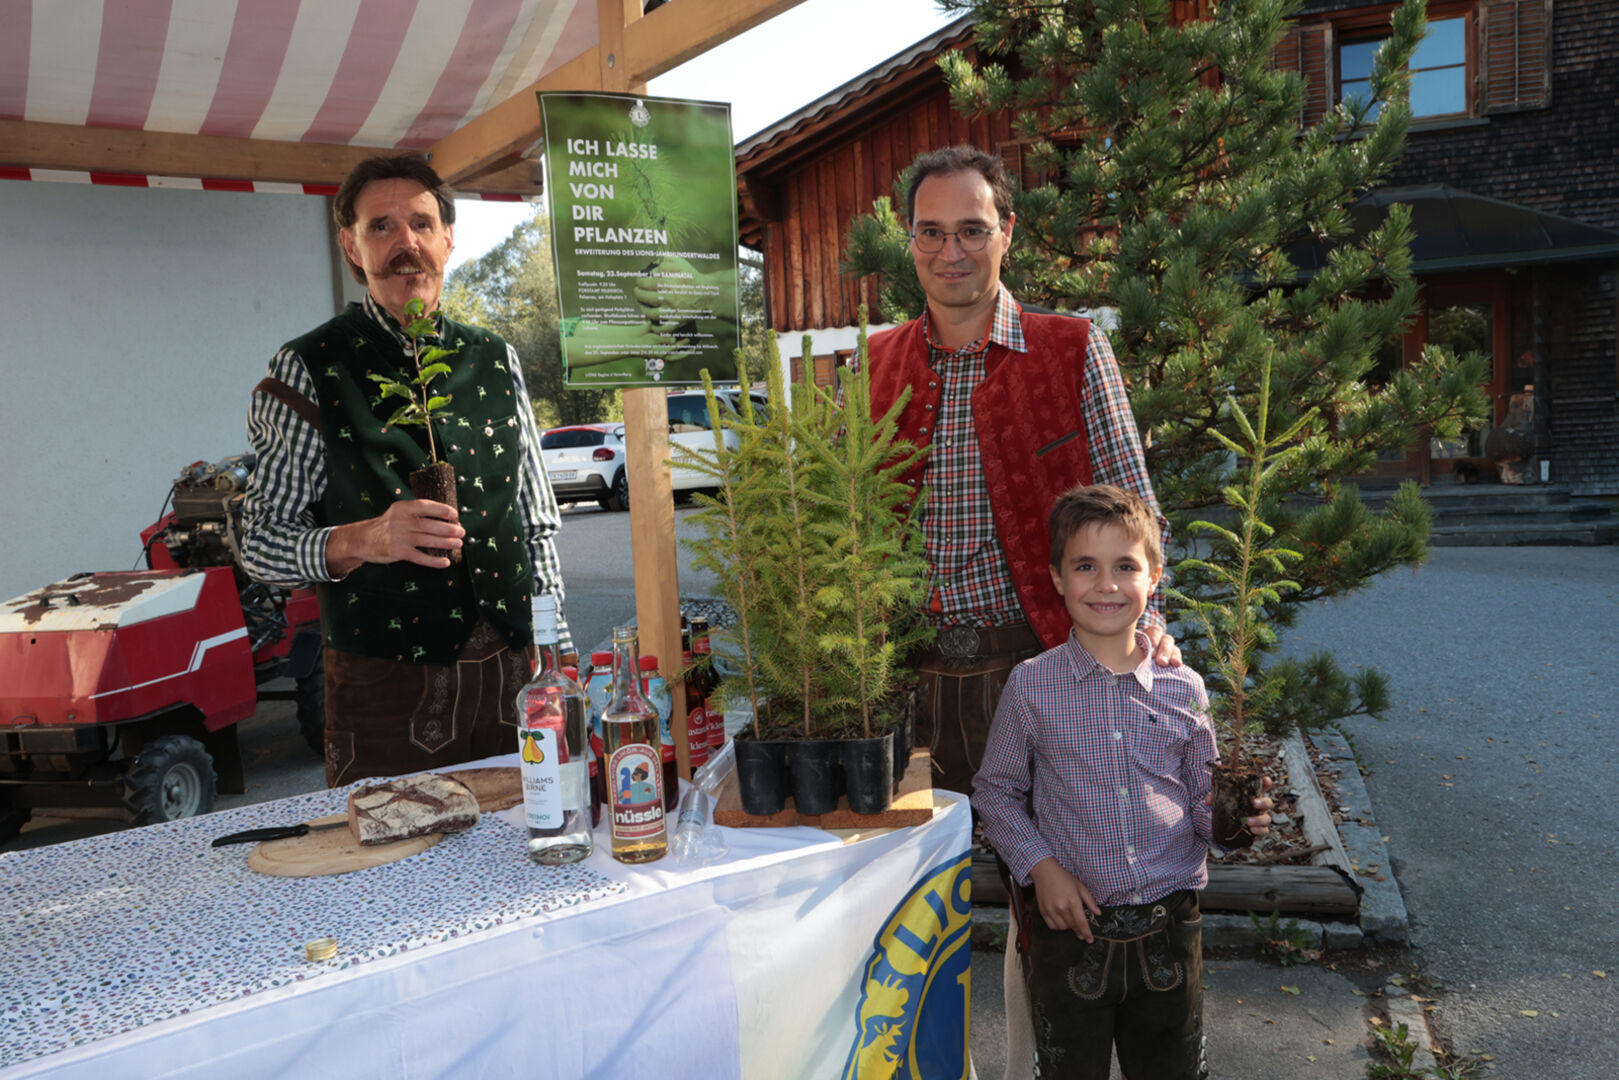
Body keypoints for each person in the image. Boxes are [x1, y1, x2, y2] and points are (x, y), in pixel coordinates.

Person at [242, 153, 569, 788]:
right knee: (393, 849)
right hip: (384, 689)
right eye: (381, 227)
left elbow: (534, 525)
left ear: (448, 238)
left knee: (531, 837)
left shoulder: (495, 357)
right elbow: (259, 545)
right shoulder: (310, 366)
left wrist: (558, 654)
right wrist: (363, 538)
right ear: (351, 246)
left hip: (513, 680)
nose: (406, 244)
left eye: (421, 224)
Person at [866, 144, 1176, 800]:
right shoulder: (872, 363)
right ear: (910, 238)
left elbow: (1136, 516)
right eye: (931, 232)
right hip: (898, 682)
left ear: (1006, 232)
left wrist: (1146, 629)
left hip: (1040, 669)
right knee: (915, 860)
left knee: (1054, 856)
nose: (950, 252)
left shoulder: (1073, 350)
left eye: (972, 230)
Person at [973, 485, 1272, 1079]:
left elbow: (1200, 802)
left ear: (1154, 576)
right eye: (1086, 566)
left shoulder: (1185, 687)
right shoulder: (1031, 686)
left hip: (1170, 930)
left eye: (1125, 567)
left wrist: (1233, 822)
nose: (1106, 585)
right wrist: (1041, 868)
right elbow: (995, 792)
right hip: (1070, 933)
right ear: (1058, 578)